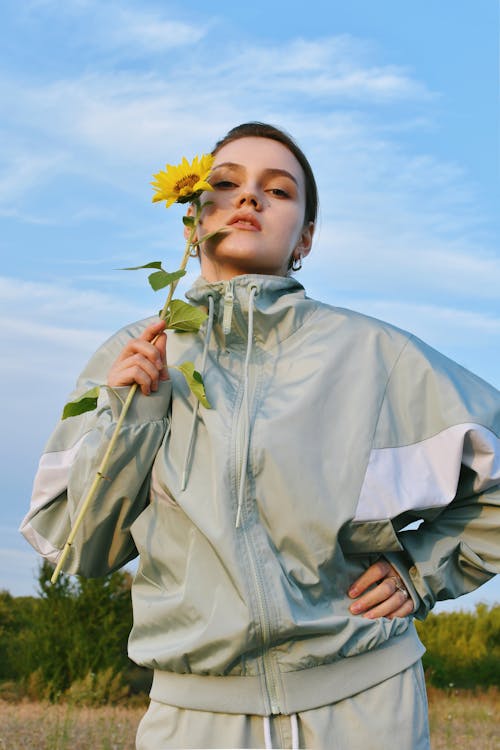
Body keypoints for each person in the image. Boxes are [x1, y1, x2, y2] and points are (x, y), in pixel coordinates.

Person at [21, 122, 500, 750]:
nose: (249, 199)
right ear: (191, 220)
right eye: (224, 184)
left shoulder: (377, 355)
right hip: (194, 720)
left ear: (304, 238)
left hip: (364, 705)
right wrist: (129, 417)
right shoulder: (135, 355)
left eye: (278, 190)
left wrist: (422, 570)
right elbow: (72, 546)